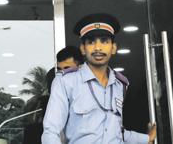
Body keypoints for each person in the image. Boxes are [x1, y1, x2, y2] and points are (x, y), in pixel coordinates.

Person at [42, 13, 157, 144]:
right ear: (83, 49)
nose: (98, 47)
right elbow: (51, 132)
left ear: (113, 48)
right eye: (91, 42)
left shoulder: (120, 85)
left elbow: (118, 133)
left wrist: (147, 138)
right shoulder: (66, 82)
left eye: (104, 41)